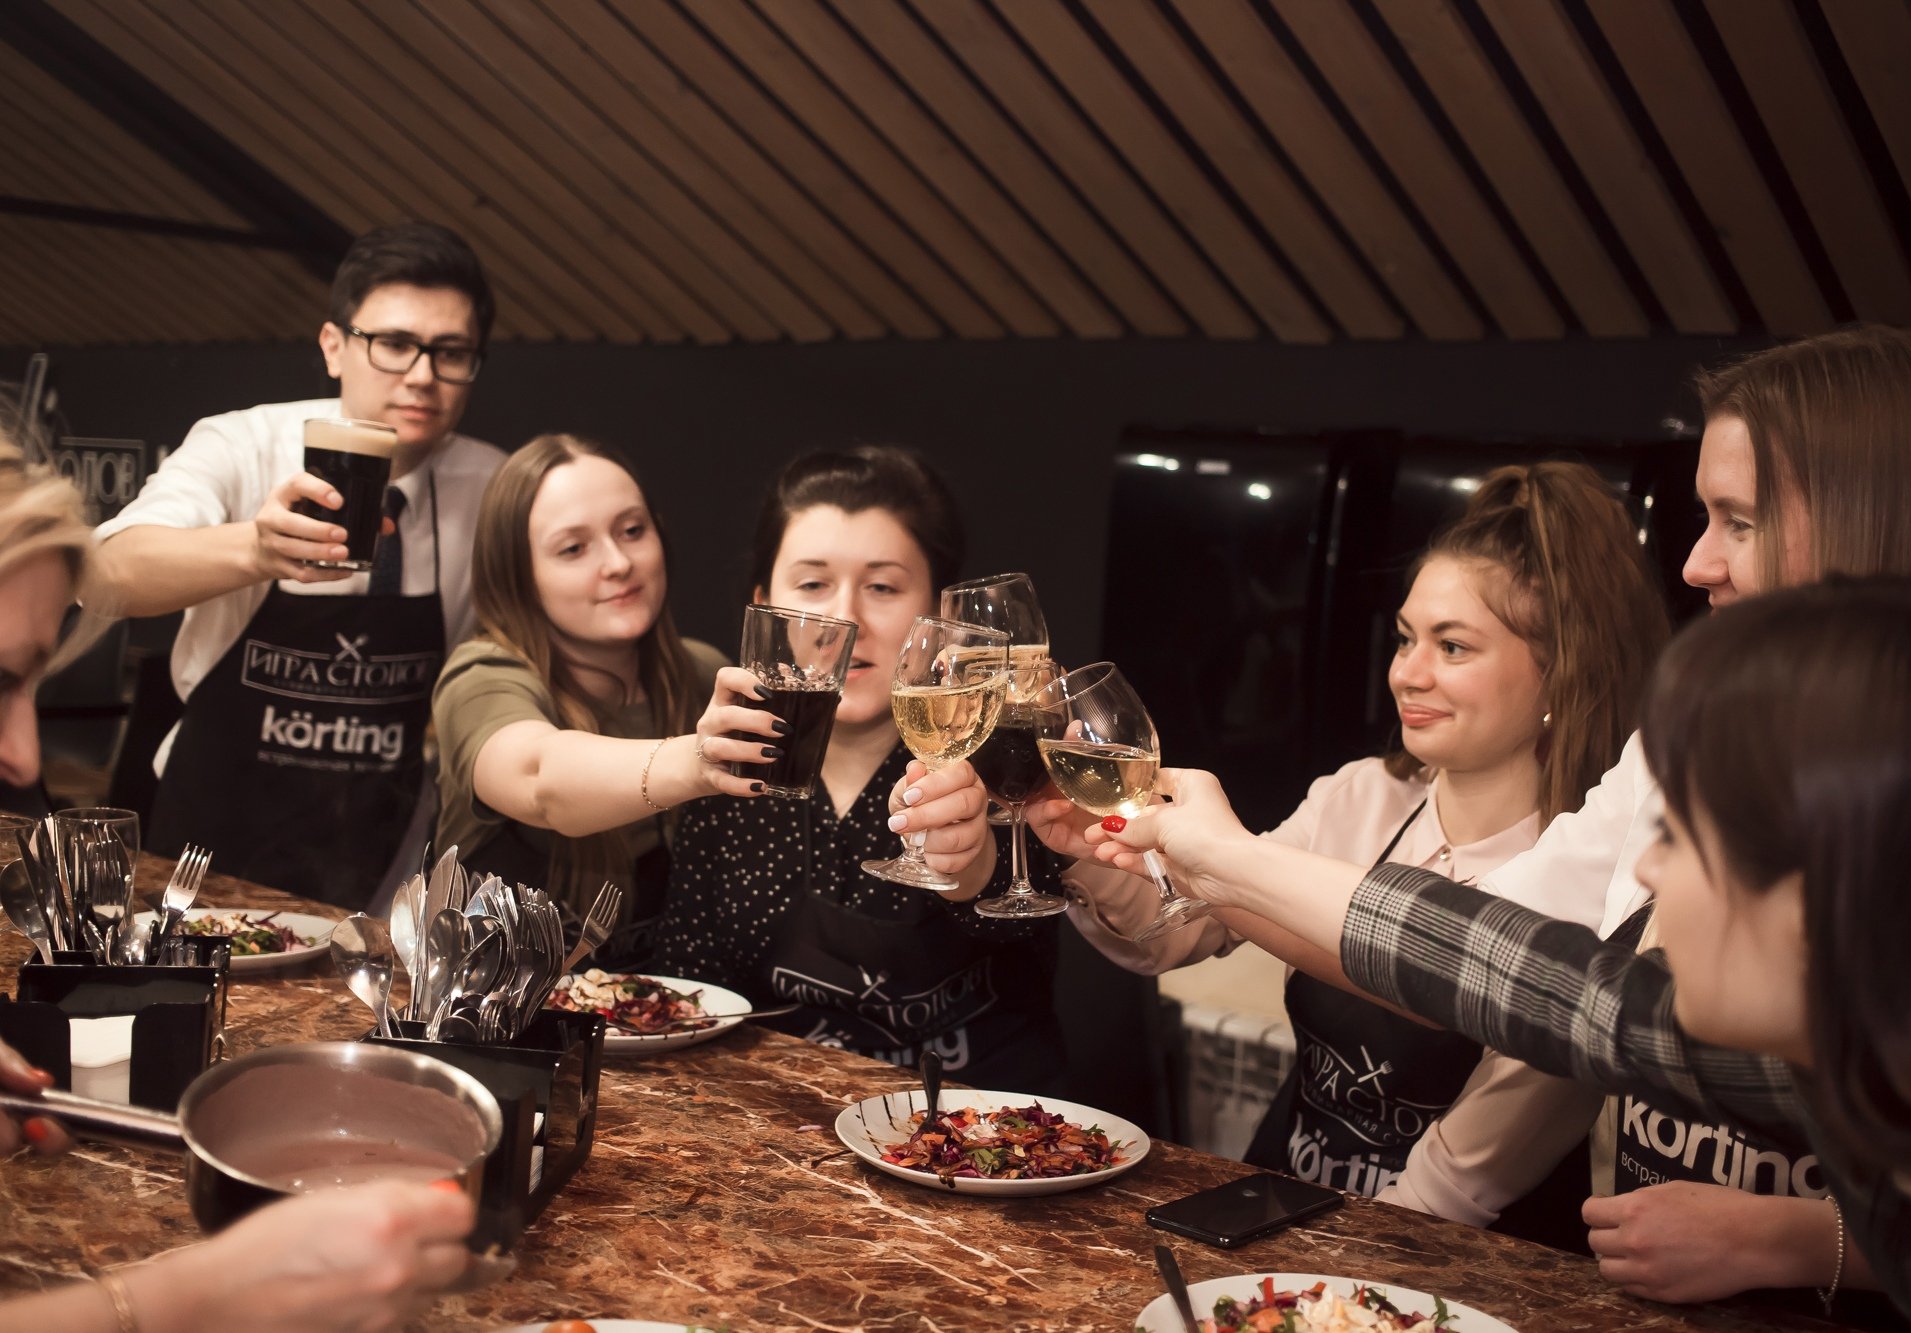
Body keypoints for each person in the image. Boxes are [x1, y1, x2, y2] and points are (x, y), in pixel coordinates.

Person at [1087, 577, 1911, 1333]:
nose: (1648, 869)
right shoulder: (1867, 1057)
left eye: (1692, 827)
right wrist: (1220, 860)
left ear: (1843, 868)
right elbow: (1543, 981)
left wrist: (1227, 860)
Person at [1367, 326, 1911, 1317]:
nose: (1698, 562)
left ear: (1870, 528)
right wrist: (1209, 869)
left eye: (1737, 520)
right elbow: (1527, 962)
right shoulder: (1686, 735)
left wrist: (1801, 1238)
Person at [1039, 462, 1669, 1208]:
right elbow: (1187, 927)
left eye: (1453, 647)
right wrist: (1085, 851)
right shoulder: (1361, 795)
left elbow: (1462, 1179)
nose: (1408, 673)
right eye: (1405, 639)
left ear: (1560, 671)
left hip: (1447, 1241)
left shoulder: (1591, 873)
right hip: (1288, 1183)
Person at [0, 425, 477, 1331]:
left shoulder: (477, 481)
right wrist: (198, 1295)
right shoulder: (235, 446)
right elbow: (118, 565)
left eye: (31, 685)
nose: (25, 755)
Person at [88, 221, 505, 910]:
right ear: (334, 346)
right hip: (210, 836)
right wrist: (254, 551)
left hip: (378, 853)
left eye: (451, 352)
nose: (422, 375)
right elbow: (104, 575)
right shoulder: (242, 444)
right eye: (394, 344)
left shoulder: (493, 486)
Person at [656, 446, 1068, 1088]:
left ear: (941, 614)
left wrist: (970, 862)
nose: (844, 618)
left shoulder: (1004, 750)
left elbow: (1020, 919)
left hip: (980, 1122)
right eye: (812, 585)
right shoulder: (729, 763)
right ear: (765, 607)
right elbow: (687, 988)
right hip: (779, 1120)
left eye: (882, 587)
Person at [431, 433, 764, 966]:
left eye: (632, 531)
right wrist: (699, 760)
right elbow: (538, 779)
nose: (617, 562)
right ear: (519, 576)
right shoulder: (482, 677)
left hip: (666, 1006)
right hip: (493, 1010)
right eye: (573, 548)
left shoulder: (701, 672)